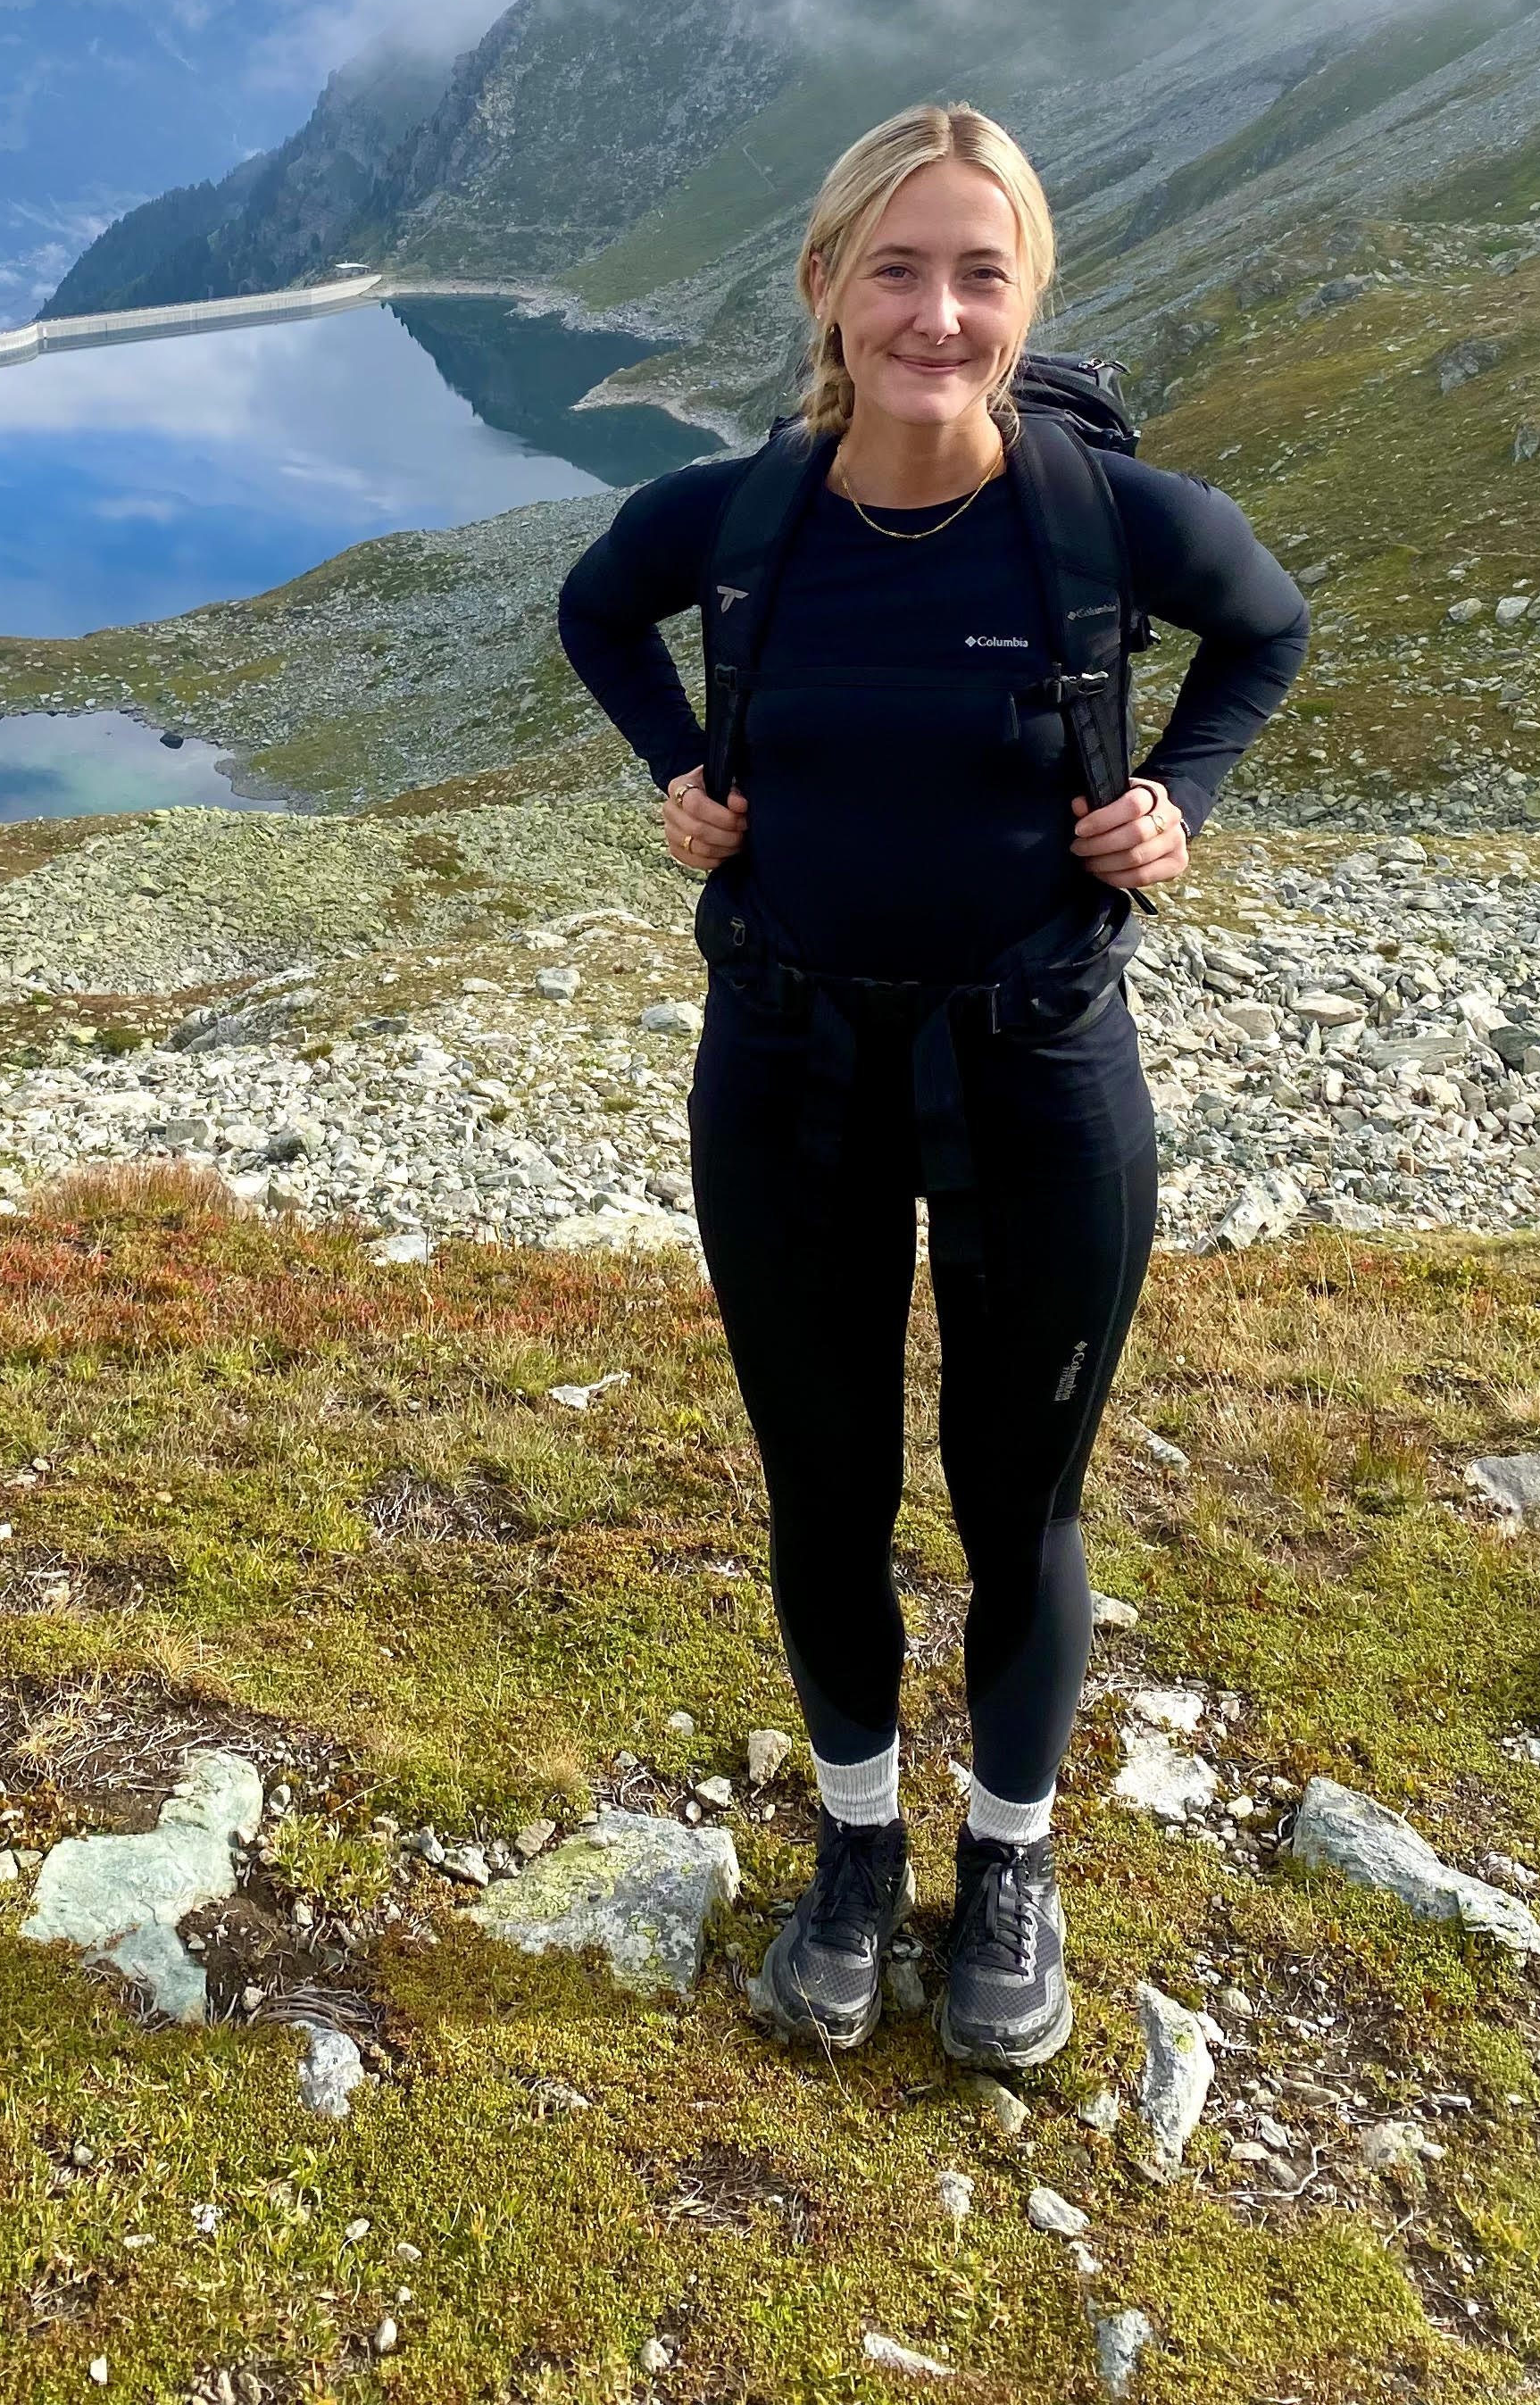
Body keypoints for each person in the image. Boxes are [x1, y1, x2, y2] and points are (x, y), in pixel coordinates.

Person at [555, 103, 1308, 2069]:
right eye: (897, 267)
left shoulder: (1102, 521)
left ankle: (1014, 1862)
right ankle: (860, 1849)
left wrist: (1183, 798)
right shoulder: (741, 518)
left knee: (1017, 1501)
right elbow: (592, 610)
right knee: (823, 1491)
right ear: (823, 287)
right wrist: (676, 773)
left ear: (1028, 296)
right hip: (784, 1061)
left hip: (1042, 1071)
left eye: (982, 272)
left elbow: (1265, 629)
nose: (939, 312)